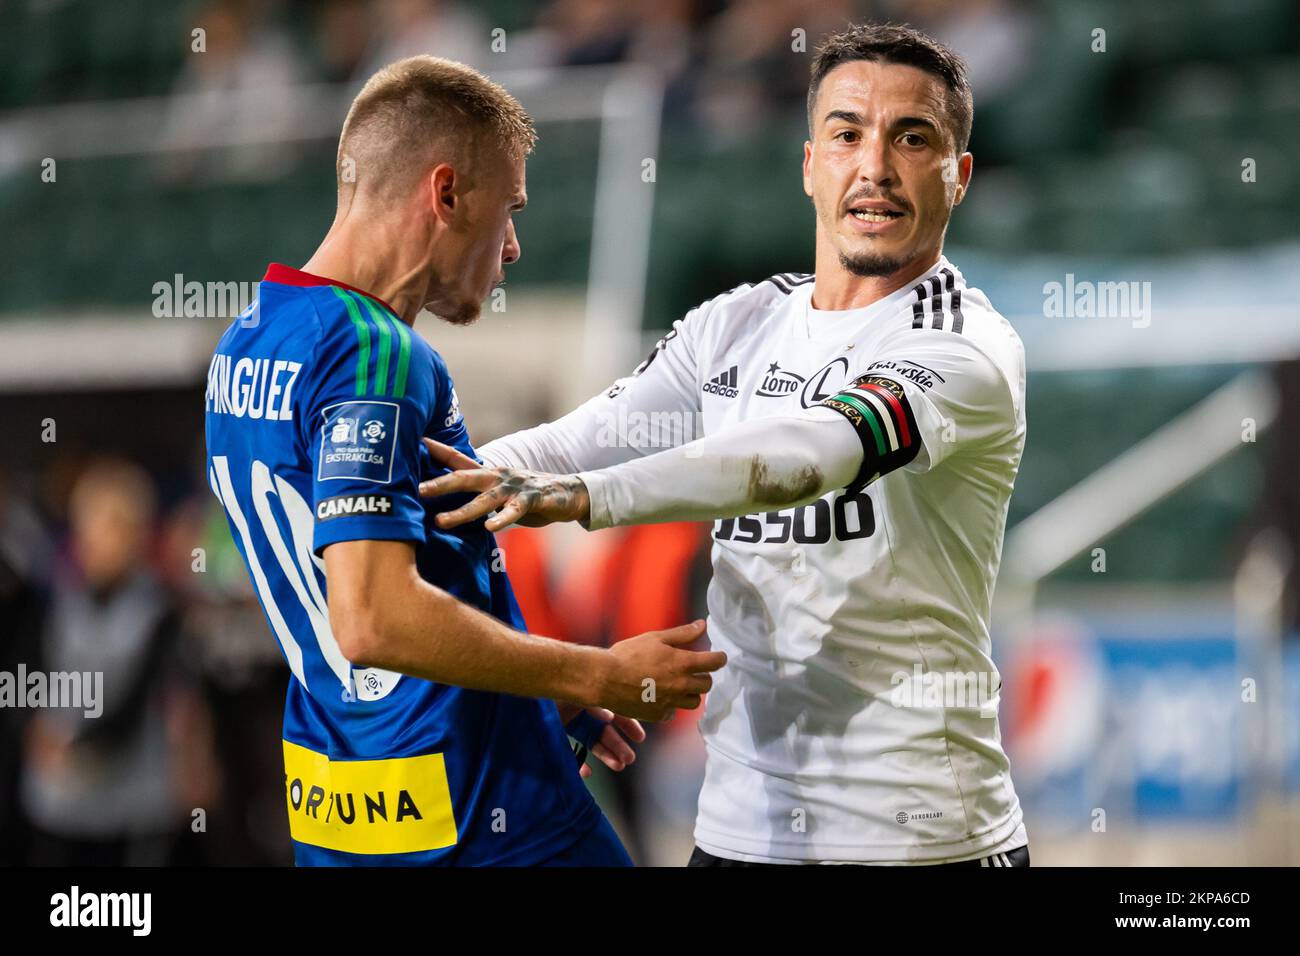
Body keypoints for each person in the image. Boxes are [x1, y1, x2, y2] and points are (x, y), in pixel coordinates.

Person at [421, 23, 1031, 867]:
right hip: (742, 829)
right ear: (810, 162)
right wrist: (430, 478)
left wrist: (584, 501)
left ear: (958, 176)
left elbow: (805, 460)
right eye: (848, 134)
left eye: (912, 138)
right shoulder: (736, 324)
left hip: (922, 837)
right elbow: (581, 439)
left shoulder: (964, 349)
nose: (876, 167)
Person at [203, 55, 724, 866]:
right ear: (446, 193)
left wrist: (543, 691)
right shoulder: (377, 354)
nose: (512, 246)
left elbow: (414, 577)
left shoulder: (246, 342)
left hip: (342, 810)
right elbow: (373, 616)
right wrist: (592, 674)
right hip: (483, 814)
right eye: (508, 209)